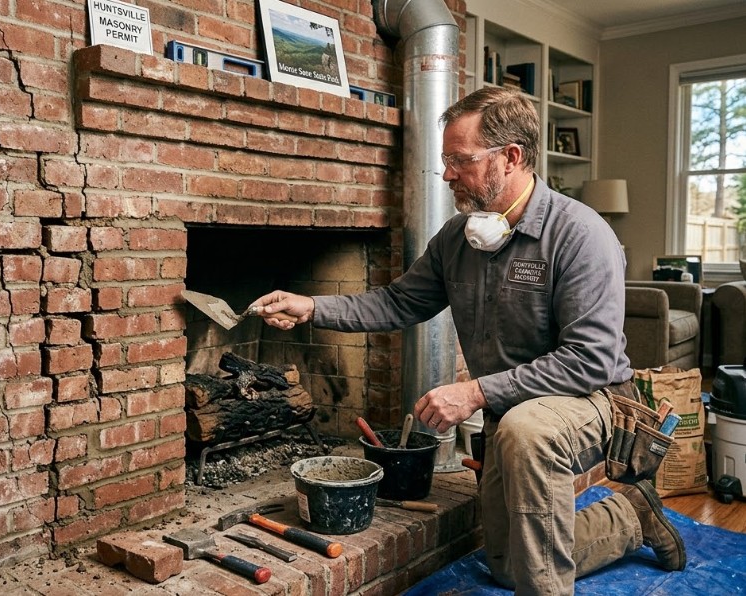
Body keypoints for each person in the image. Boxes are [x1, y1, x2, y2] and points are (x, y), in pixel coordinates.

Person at [250, 86, 685, 594]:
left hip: (593, 399)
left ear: (511, 157)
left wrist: (475, 392)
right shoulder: (458, 238)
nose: (447, 174)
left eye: (461, 160)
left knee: (526, 431)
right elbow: (398, 302)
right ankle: (631, 516)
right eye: (445, 160)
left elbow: (589, 360)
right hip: (514, 408)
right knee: (508, 563)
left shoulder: (580, 234)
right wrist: (313, 306)